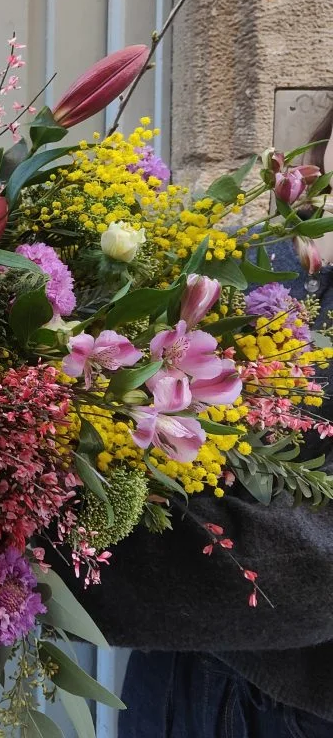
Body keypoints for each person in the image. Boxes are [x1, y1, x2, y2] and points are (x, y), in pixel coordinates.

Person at [78, 109, 333, 737]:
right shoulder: (254, 267)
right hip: (173, 671)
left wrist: (44, 556)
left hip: (290, 704)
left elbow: (316, 574)